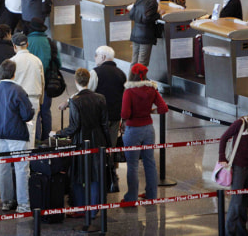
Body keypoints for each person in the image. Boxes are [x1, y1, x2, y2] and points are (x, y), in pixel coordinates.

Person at [54, 68, 110, 218]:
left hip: (80, 141)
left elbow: (74, 127)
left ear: (76, 81)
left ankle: (79, 208)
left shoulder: (74, 101)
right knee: (96, 175)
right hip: (98, 139)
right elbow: (105, 124)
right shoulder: (101, 98)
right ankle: (93, 209)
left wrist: (57, 134)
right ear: (89, 79)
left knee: (78, 174)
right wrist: (108, 144)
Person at [0, 59, 34, 213]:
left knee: (3, 167)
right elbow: (27, 115)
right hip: (16, 134)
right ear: (14, 74)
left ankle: (7, 201)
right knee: (21, 169)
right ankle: (23, 204)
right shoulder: (18, 90)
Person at [218, 99, 248, 236]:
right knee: (237, 201)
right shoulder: (241, 123)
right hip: (238, 167)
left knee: (245, 200)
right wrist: (222, 157)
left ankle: (241, 229)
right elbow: (224, 137)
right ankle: (230, 231)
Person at [120, 63, 167, 202]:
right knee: (150, 162)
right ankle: (152, 195)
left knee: (133, 164)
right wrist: (151, 111)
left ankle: (131, 197)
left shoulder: (129, 91)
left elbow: (125, 113)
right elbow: (163, 108)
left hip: (133, 130)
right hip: (148, 129)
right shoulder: (152, 89)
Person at [87, 45, 126, 190]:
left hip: (99, 118)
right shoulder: (121, 73)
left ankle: (99, 180)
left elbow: (87, 92)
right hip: (116, 117)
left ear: (102, 57)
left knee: (98, 148)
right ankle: (112, 179)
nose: (95, 58)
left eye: (96, 55)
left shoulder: (95, 72)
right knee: (111, 147)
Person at [26, 17, 59, 141]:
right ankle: (47, 138)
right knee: (46, 110)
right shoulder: (50, 42)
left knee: (35, 111)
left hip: (31, 83)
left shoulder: (27, 42)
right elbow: (58, 63)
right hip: (46, 82)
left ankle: (37, 138)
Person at [10, 32, 44, 148]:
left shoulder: (12, 61)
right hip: (34, 99)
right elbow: (42, 82)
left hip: (17, 100)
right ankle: (29, 160)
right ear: (27, 44)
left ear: (14, 46)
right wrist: (41, 101)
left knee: (16, 129)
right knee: (31, 130)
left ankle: (17, 159)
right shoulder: (37, 61)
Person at [129, 0, 162, 67]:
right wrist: (158, 14)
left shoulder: (139, 0)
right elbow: (148, 18)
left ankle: (131, 80)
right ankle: (140, 80)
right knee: (142, 63)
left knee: (134, 62)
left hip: (135, 33)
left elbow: (131, 15)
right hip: (145, 35)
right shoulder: (152, 2)